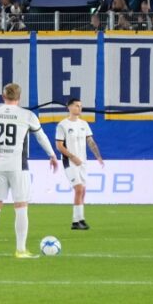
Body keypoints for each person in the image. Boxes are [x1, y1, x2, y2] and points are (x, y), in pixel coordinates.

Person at [0, 82, 58, 259]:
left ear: (3, 96)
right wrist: (52, 155)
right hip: (19, 166)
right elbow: (41, 136)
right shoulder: (27, 115)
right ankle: (20, 249)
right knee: (21, 207)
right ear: (19, 97)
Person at [54, 98, 104, 231]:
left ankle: (76, 221)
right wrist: (72, 157)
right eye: (76, 106)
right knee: (79, 189)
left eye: (80, 106)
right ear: (69, 107)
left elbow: (91, 142)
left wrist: (98, 156)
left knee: (83, 191)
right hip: (69, 161)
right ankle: (79, 220)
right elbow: (59, 145)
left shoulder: (84, 124)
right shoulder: (62, 125)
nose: (79, 108)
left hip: (83, 162)